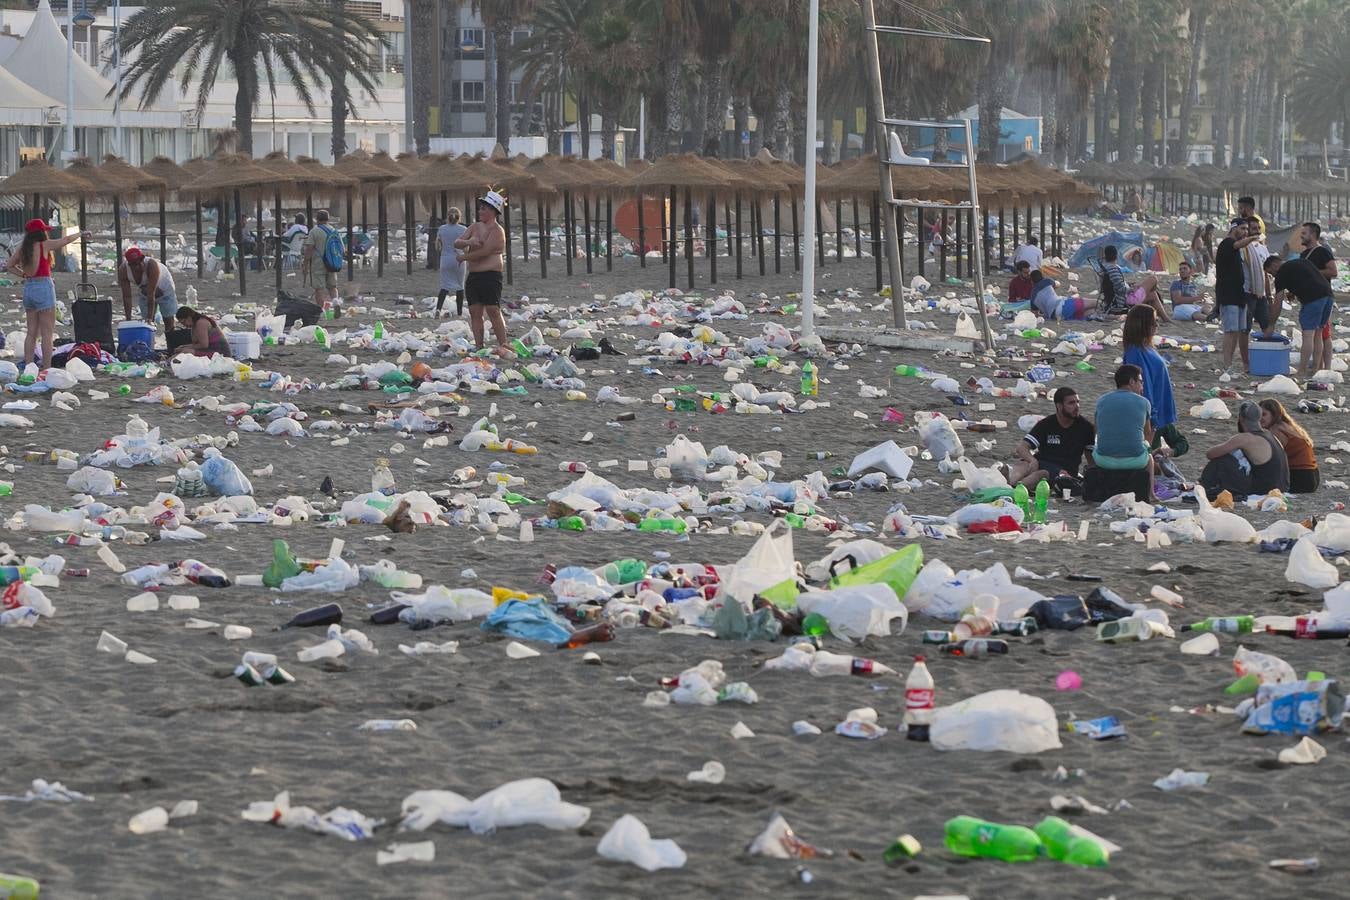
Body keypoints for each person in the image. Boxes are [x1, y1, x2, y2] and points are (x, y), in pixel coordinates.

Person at [5, 219, 88, 369]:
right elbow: (66, 240)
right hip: (43, 287)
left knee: (31, 333)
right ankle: (46, 368)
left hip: (29, 288)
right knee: (47, 334)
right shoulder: (44, 245)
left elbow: (9, 265)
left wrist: (23, 275)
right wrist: (81, 233)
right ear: (41, 232)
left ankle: (29, 367)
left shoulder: (22, 248)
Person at [1121, 305, 1184, 459]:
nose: (1156, 325)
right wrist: (1152, 420)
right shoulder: (1135, 352)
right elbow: (1142, 388)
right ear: (1141, 324)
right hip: (1151, 417)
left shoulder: (1146, 347)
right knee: (1147, 462)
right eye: (1152, 322)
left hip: (1158, 411)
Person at [454, 190, 510, 353]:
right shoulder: (474, 226)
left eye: (484, 208)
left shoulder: (497, 231)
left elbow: (485, 251)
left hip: (491, 275)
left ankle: (503, 343)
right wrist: (468, 241)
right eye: (480, 208)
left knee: (493, 309)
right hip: (474, 276)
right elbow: (457, 242)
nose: (480, 211)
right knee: (475, 311)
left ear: (493, 211)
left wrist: (464, 257)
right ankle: (479, 345)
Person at [1009, 387, 1095, 489]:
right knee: (1022, 464)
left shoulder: (1086, 427)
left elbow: (1090, 457)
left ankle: (1014, 489)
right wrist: (1032, 460)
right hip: (1042, 463)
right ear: (1059, 406)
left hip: (1064, 472)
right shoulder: (1047, 424)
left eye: (1077, 402)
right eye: (1071, 403)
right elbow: (1022, 447)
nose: (1077, 406)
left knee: (1042, 474)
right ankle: (1010, 484)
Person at [1092, 364, 1155, 500]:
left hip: (1103, 460)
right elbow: (1147, 433)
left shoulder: (1101, 400)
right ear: (1132, 382)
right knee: (1149, 456)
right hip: (1136, 461)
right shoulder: (1144, 403)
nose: (1142, 386)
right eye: (1141, 382)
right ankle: (1151, 494)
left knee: (1096, 447)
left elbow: (1096, 431)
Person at [1263, 254, 1334, 376]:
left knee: (1308, 335)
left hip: (1313, 300)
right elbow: (1310, 278)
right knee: (1318, 333)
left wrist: (1271, 325)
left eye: (1271, 273)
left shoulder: (1281, 274)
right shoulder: (1301, 262)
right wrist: (1293, 291)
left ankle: (1302, 370)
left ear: (1275, 265)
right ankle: (1316, 369)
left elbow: (1277, 303)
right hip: (1328, 296)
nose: (1273, 276)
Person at [1201, 400, 1289, 498]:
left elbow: (1210, 454)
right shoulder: (1270, 434)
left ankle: (1204, 487)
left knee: (1222, 460)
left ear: (1241, 418)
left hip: (1264, 490)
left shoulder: (1245, 438)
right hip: (1281, 487)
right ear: (1259, 417)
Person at [1215, 218, 1259, 373]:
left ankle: (1230, 364)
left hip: (1239, 295)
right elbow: (1237, 244)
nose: (1245, 232)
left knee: (1238, 331)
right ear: (1234, 228)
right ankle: (1227, 364)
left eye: (1247, 229)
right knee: (1230, 331)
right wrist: (1252, 238)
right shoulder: (1227, 243)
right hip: (1228, 294)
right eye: (1243, 228)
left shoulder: (1237, 248)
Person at [1300, 222, 1337, 372]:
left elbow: (1333, 272)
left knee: (1315, 334)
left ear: (1313, 235)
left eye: (1304, 233)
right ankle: (1317, 367)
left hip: (1318, 298)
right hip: (1316, 297)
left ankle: (1311, 369)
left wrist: (1313, 272)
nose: (1301, 236)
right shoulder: (1304, 254)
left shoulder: (1322, 251)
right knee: (1319, 333)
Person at [1259, 399, 1318, 493]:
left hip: (1301, 478)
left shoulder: (1276, 430)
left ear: (1274, 415)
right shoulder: (1288, 426)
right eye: (1258, 415)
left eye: (1264, 414)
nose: (1260, 418)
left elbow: (1272, 460)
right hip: (1313, 476)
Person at [117, 247, 178, 334]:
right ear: (129, 264)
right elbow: (127, 296)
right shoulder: (123, 270)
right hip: (144, 290)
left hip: (164, 287)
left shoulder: (151, 265)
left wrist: (150, 318)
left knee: (168, 318)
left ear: (142, 259)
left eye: (139, 263)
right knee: (146, 323)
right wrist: (128, 319)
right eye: (133, 265)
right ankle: (149, 343)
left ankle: (171, 341)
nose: (137, 267)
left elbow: (151, 293)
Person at [1240, 216, 1277, 339]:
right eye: (1254, 228)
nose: (1257, 231)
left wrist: (1269, 296)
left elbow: (1265, 273)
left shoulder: (1263, 249)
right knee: (1245, 328)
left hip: (1261, 294)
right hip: (1247, 293)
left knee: (1267, 325)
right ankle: (1244, 357)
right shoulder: (1243, 249)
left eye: (1258, 228)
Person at [302, 209, 340, 307]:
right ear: (328, 219)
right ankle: (336, 305)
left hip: (318, 263)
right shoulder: (334, 231)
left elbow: (309, 249)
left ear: (317, 219)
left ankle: (322, 309)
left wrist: (305, 263)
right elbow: (341, 248)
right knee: (332, 287)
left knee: (319, 288)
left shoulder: (314, 231)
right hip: (332, 262)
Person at [435, 207, 468, 317]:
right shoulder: (463, 229)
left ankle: (438, 309)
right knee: (460, 286)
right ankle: (459, 312)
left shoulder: (442, 228)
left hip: (445, 259)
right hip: (459, 259)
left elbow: (438, 246)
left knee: (444, 286)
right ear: (459, 217)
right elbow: (466, 248)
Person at [1096, 244, 1131, 316]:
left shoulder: (1103, 269)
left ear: (1105, 256)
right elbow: (1122, 289)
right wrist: (1131, 289)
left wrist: (1127, 284)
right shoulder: (1113, 269)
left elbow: (1114, 284)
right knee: (1152, 284)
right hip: (1120, 302)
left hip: (1109, 301)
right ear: (1116, 256)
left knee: (1152, 294)